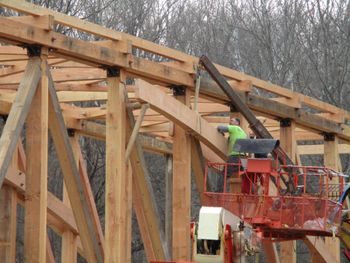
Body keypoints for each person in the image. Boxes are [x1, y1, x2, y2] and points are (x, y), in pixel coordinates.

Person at [217, 118, 247, 191]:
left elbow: (220, 127)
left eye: (232, 121)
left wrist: (219, 130)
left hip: (235, 156)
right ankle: (252, 191)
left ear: (237, 123)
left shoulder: (235, 128)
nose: (230, 122)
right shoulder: (243, 133)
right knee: (246, 176)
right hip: (243, 159)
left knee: (224, 174)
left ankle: (219, 192)